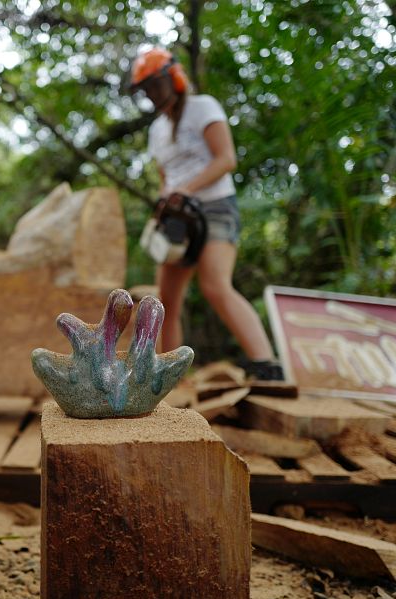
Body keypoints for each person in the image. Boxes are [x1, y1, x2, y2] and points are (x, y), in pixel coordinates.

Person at [129, 47, 284, 381]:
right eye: (146, 89)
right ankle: (167, 375)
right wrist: (164, 201)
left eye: (155, 85)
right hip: (176, 219)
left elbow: (226, 159)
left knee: (215, 284)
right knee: (166, 300)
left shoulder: (203, 108)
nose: (152, 94)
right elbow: (165, 178)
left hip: (214, 207)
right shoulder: (156, 130)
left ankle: (266, 365)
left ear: (173, 78)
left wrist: (188, 188)